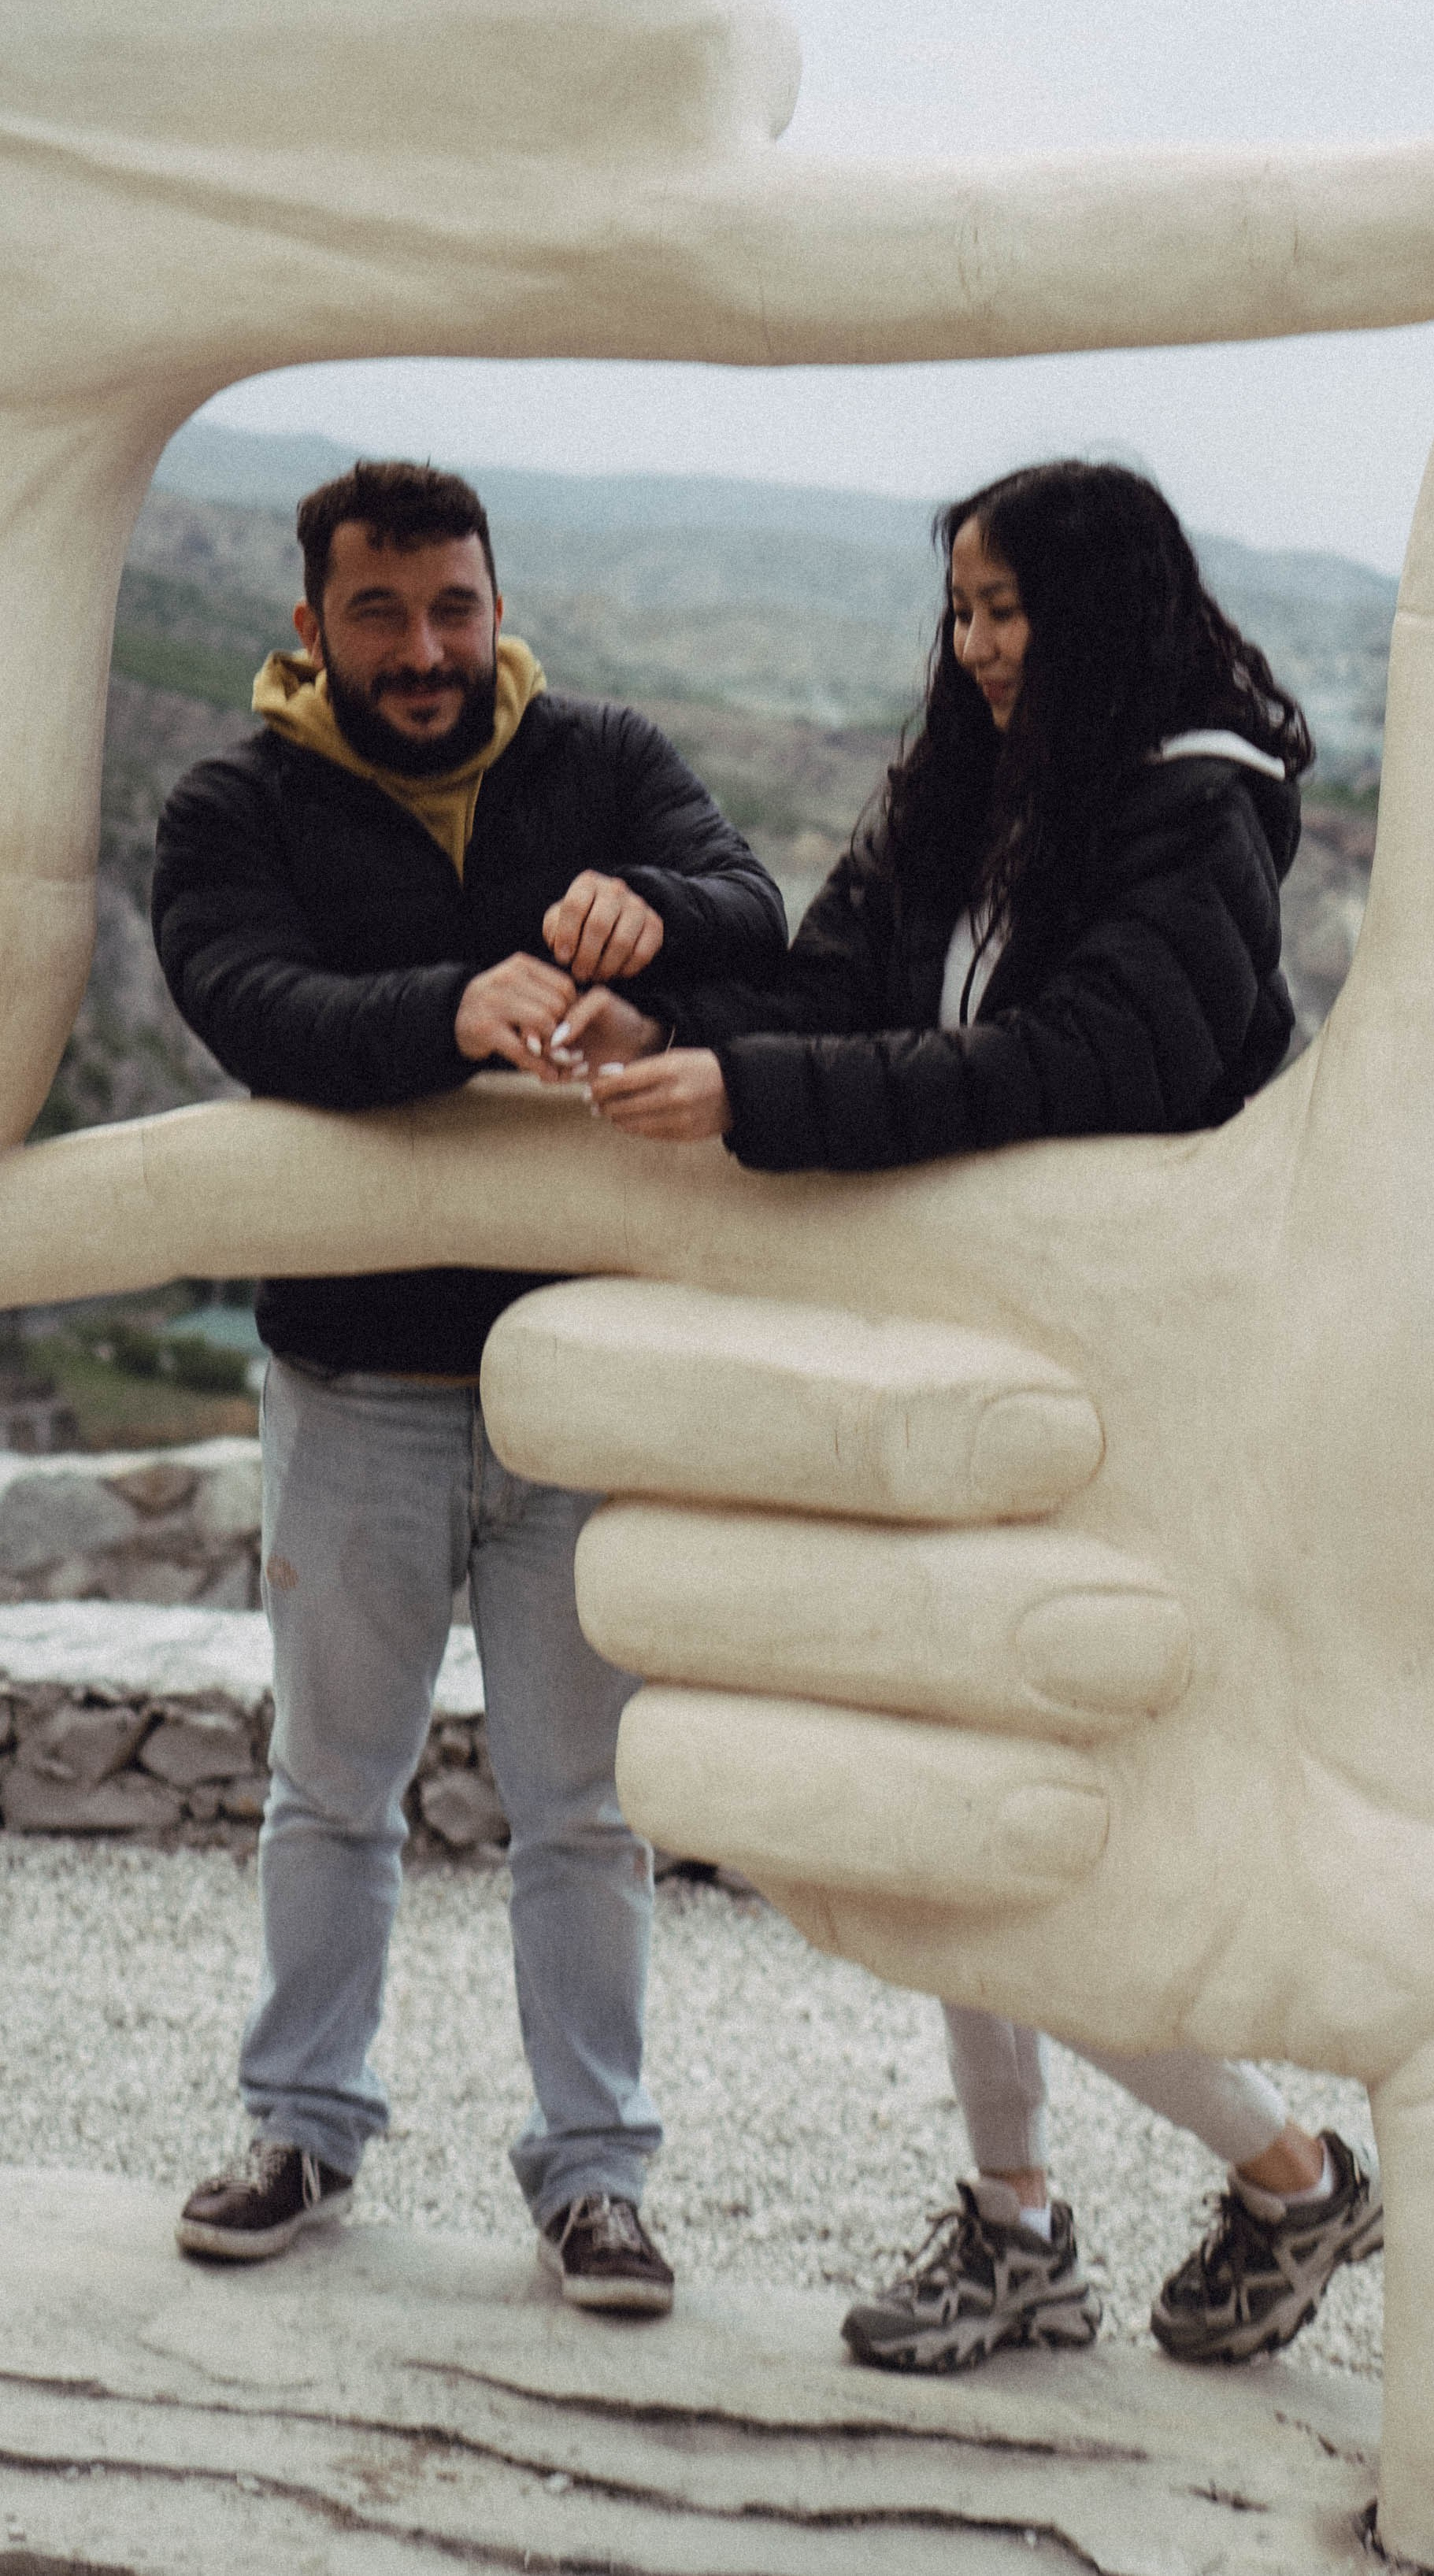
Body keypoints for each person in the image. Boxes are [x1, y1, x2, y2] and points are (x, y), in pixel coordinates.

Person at [545, 458, 1383, 2371]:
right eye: (966, 609)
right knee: (933, 1814)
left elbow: (1092, 1063)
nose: (983, 645)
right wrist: (670, 1023)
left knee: (1031, 1837)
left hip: (1123, 1410)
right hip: (954, 1372)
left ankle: (1284, 2167)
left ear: (1104, 610)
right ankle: (1027, 2216)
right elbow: (841, 976)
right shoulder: (979, 786)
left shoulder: (1197, 818)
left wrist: (759, 1100)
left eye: (1012, 609)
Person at [150, 458, 786, 2311]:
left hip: (579, 1385)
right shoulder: (230, 803)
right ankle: (299, 2127)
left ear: (497, 601)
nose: (425, 650)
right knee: (329, 1788)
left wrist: (649, 928)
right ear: (312, 624)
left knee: (583, 1805)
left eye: (454, 607)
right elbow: (249, 1000)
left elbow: (755, 905)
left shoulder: (604, 756)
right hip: (352, 1383)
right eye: (382, 613)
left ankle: (595, 2177)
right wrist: (453, 1004)